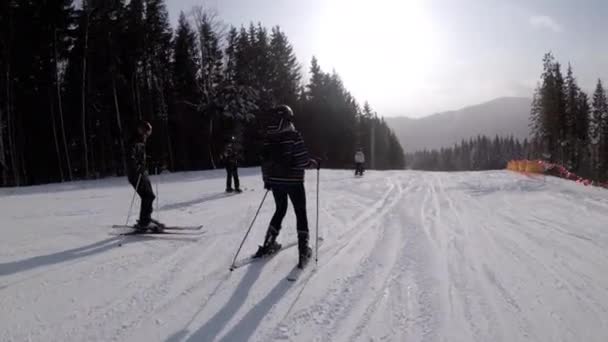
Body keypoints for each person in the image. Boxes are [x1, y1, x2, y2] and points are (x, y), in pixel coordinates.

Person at [255, 104, 319, 268]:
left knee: (280, 209)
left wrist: (267, 180)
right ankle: (303, 250)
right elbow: (302, 161)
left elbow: (264, 162)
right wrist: (314, 163)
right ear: (288, 118)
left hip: (275, 181)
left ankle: (269, 241)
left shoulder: (269, 138)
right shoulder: (293, 136)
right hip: (294, 182)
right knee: (300, 212)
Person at [127, 121, 162, 232]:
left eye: (149, 133)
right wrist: (138, 168)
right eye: (147, 133)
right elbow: (130, 160)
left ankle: (146, 218)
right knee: (148, 196)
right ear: (141, 130)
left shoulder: (140, 141)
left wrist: (152, 161)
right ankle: (144, 221)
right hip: (136, 174)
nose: (147, 135)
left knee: (149, 196)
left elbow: (141, 158)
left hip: (142, 173)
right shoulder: (134, 142)